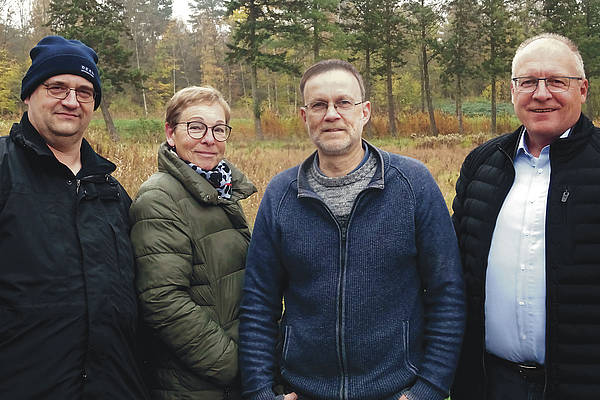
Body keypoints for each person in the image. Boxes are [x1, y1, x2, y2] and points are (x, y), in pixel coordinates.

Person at [239, 59, 465, 400]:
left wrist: (428, 390)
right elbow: (258, 302)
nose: (331, 114)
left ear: (365, 111)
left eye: (343, 102)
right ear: (304, 117)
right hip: (304, 390)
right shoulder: (280, 194)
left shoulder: (413, 185)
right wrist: (259, 391)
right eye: (319, 105)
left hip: (396, 390)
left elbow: (447, 293)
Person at [451, 33, 600, 400]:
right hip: (490, 383)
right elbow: (455, 275)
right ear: (513, 90)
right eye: (528, 82)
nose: (541, 93)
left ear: (582, 89)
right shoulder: (482, 165)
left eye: (556, 81)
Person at [0, 36, 148, 398]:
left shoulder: (112, 190)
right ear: (28, 95)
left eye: (84, 92)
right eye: (57, 87)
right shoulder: (4, 169)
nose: (71, 100)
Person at [130, 86, 257, 399]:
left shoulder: (219, 191)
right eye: (196, 127)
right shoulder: (161, 197)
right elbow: (162, 301)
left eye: (218, 129)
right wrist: (236, 366)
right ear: (171, 133)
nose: (209, 139)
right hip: (197, 386)